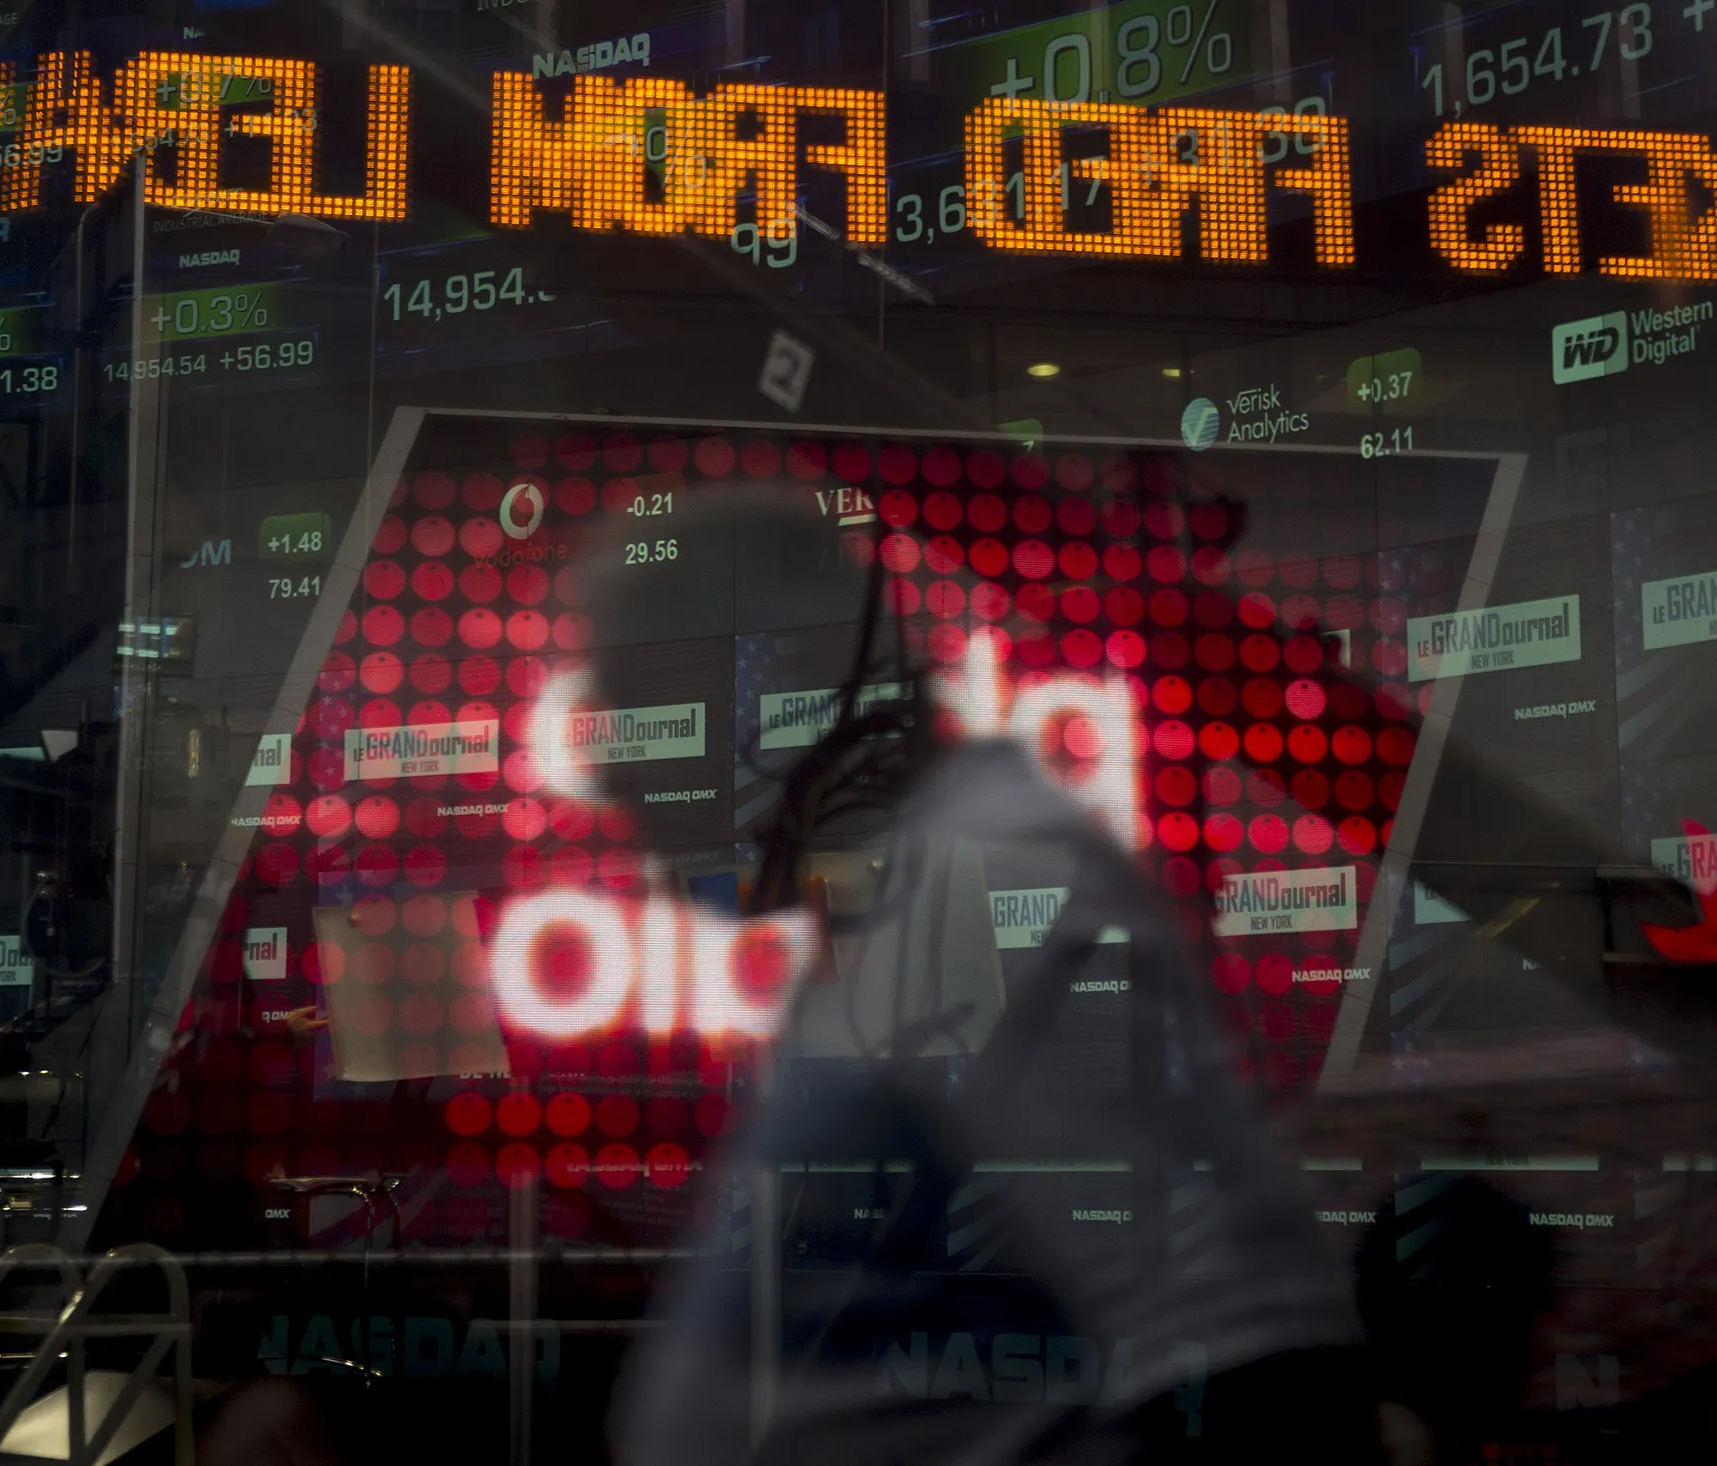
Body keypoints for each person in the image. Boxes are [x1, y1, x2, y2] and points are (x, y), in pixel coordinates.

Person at [585, 493, 1383, 1466]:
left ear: (775, 685)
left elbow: (1251, 1363)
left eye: (633, 706)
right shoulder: (907, 905)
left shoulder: (987, 882)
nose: (609, 774)